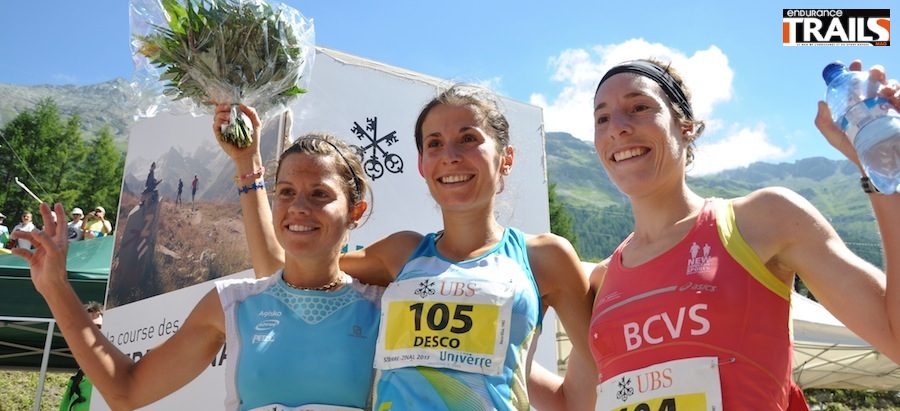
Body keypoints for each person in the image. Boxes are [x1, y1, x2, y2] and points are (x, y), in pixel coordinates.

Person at [534, 58, 900, 410]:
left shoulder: (762, 221)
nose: (617, 127)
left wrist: (885, 170)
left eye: (640, 107)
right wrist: (484, 354)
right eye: (602, 118)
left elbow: (893, 333)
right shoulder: (602, 280)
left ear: (685, 125)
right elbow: (573, 404)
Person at [216, 83, 596, 410]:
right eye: (434, 143)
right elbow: (282, 273)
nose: (450, 155)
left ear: (506, 158)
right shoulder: (402, 254)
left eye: (469, 138)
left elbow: (588, 384)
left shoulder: (544, 256)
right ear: (421, 165)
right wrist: (247, 162)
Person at [14, 134, 381, 410]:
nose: (298, 206)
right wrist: (55, 287)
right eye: (285, 191)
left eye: (320, 194)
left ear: (356, 211)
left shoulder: (384, 307)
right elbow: (125, 391)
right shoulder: (233, 303)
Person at [58, 301, 103, 411]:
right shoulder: (78, 378)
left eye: (98, 327)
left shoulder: (117, 372)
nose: (92, 333)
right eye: (85, 327)